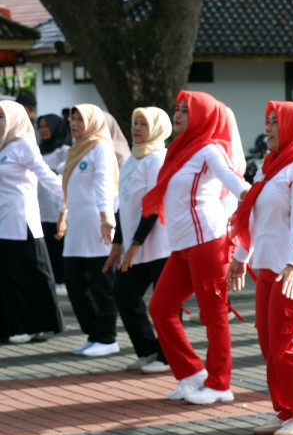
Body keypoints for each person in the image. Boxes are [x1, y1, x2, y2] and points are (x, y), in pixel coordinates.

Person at [230, 101, 293, 435]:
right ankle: (285, 410)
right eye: (268, 121)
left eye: (276, 122)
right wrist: (242, 255)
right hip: (269, 265)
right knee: (268, 343)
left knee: (287, 343)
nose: (269, 128)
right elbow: (253, 214)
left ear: (291, 127)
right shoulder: (269, 166)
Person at [143, 91, 251, 405]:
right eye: (176, 109)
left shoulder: (209, 149)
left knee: (213, 315)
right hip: (183, 245)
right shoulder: (178, 148)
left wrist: (256, 201)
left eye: (184, 110)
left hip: (209, 241)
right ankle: (191, 374)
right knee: (160, 309)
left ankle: (220, 384)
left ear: (202, 116)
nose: (177, 114)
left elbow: (236, 183)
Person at [107, 107, 172, 373]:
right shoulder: (132, 159)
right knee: (124, 294)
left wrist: (134, 244)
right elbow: (126, 205)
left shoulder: (157, 159)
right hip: (136, 242)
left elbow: (154, 206)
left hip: (160, 243)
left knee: (165, 302)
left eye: (143, 124)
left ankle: (167, 357)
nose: (136, 128)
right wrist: (118, 243)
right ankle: (148, 350)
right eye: (135, 122)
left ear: (157, 128)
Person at [0, 103, 65, 344]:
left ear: (15, 119)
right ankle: (14, 325)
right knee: (8, 275)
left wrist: (68, 200)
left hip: (21, 220)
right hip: (3, 221)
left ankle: (41, 325)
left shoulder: (23, 145)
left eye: (1, 117)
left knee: (33, 274)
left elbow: (46, 176)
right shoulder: (2, 147)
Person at [59, 104, 121, 356]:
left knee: (101, 284)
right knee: (74, 284)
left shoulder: (101, 147)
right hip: (77, 227)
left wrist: (107, 218)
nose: (74, 124)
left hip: (98, 226)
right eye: (72, 120)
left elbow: (104, 184)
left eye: (80, 120)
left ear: (93, 122)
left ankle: (107, 338)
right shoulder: (76, 149)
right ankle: (94, 334)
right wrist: (63, 215)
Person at [36, 113, 72, 292]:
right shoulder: (39, 150)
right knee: (47, 244)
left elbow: (63, 172)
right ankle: (53, 279)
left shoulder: (64, 150)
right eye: (40, 127)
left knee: (59, 243)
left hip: (58, 204)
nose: (43, 130)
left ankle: (63, 280)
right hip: (41, 205)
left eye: (46, 127)